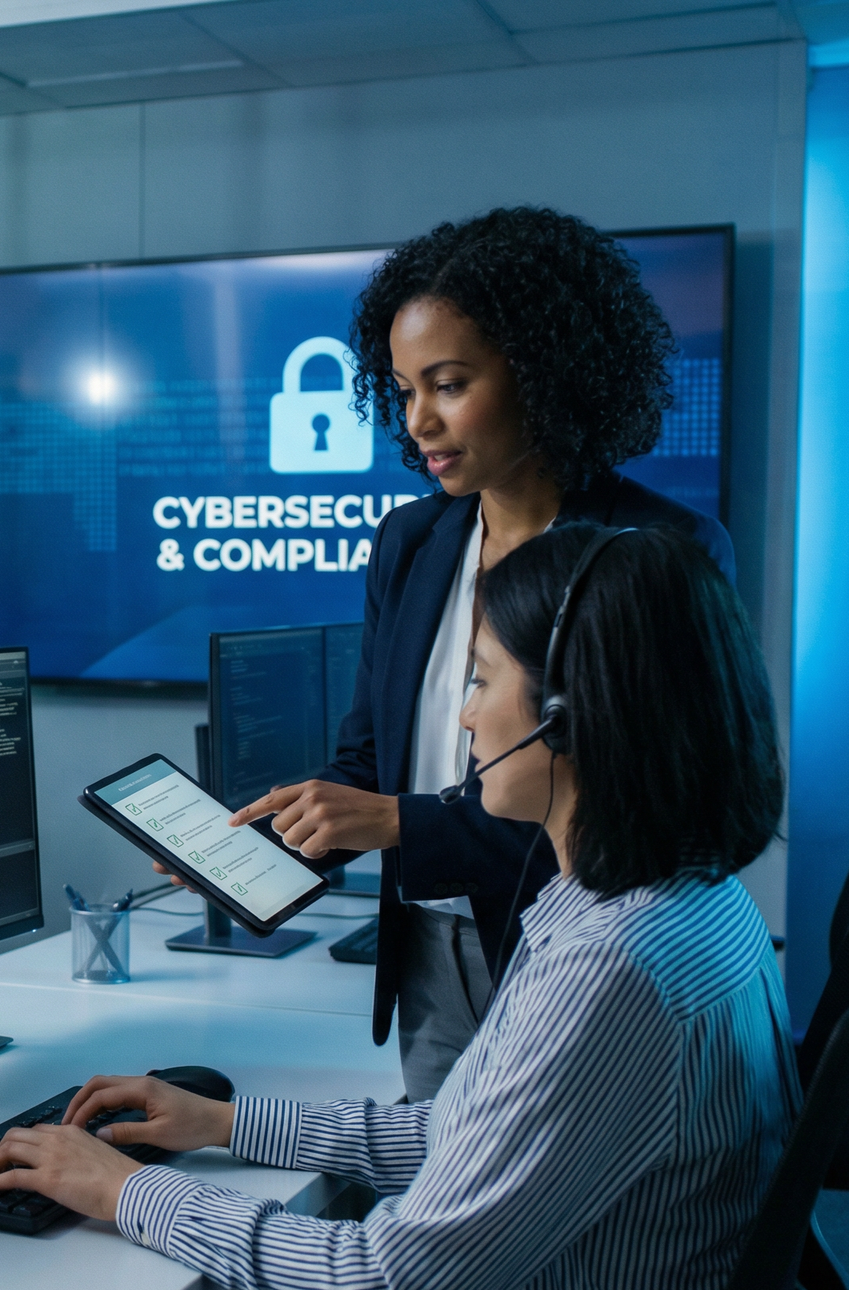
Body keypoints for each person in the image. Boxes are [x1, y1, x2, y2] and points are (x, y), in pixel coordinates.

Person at [0, 523, 794, 1290]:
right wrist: (225, 1124)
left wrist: (125, 1191)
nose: (462, 719)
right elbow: (475, 1135)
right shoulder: (679, 900)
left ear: (568, 715)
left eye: (482, 681)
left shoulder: (613, 974)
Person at [240, 207, 737, 1101]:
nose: (419, 421)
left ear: (542, 374)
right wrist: (261, 844)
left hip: (577, 951)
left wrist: (403, 822)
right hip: (426, 947)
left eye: (449, 383)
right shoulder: (409, 543)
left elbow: (652, 805)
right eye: (401, 391)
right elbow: (371, 759)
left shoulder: (657, 552)